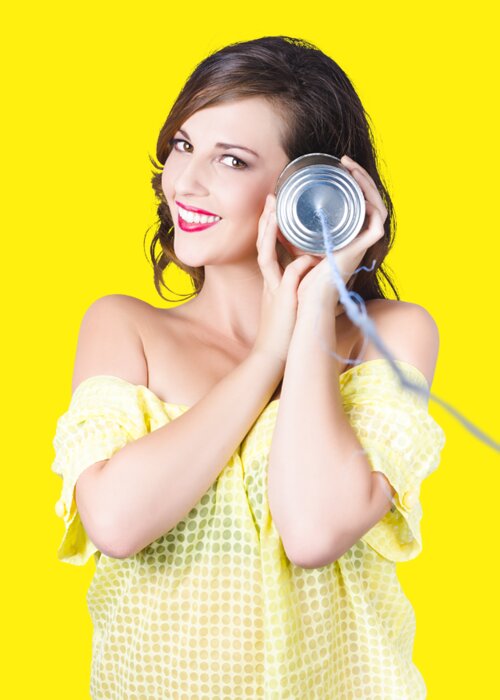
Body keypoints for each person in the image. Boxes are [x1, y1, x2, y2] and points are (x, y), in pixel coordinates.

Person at [51, 35, 446, 699]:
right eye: (183, 145)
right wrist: (267, 354)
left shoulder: (391, 337)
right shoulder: (125, 329)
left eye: (230, 159)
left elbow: (314, 529)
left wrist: (313, 312)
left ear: (316, 191)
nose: (185, 181)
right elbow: (115, 523)